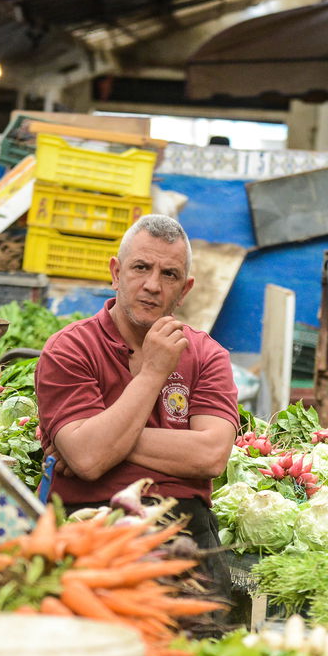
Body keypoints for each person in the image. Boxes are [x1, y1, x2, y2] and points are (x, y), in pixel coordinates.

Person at [35, 214, 239, 610]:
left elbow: (211, 455)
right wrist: (154, 372)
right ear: (116, 272)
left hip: (184, 532)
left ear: (185, 290)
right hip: (86, 526)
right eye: (141, 267)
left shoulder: (208, 355)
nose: (152, 285)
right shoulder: (69, 349)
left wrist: (100, 438)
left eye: (169, 274)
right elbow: (90, 462)